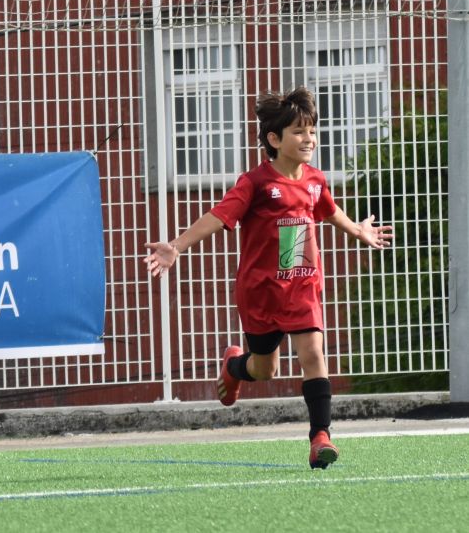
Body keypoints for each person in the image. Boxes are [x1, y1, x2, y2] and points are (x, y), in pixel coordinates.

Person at [144, 86, 393, 469]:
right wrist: (176, 245)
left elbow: (328, 210)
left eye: (312, 130)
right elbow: (218, 215)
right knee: (266, 369)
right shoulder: (256, 183)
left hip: (303, 286)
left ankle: (320, 438)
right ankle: (234, 367)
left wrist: (357, 231)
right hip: (260, 292)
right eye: (298, 131)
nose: (308, 138)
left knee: (313, 353)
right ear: (274, 139)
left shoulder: (314, 179)